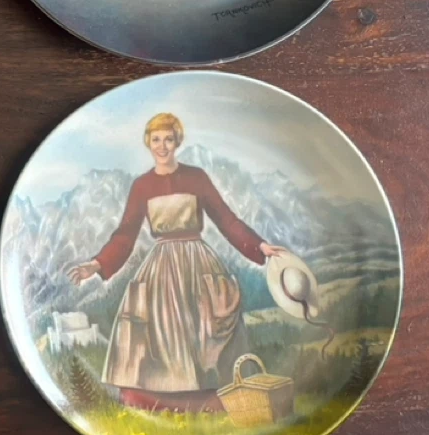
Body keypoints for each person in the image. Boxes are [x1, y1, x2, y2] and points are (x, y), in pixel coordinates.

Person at [65, 112, 288, 412]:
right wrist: (96, 264)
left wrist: (259, 245)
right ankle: (161, 403)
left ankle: (217, 402)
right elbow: (126, 234)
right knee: (158, 335)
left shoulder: (197, 177)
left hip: (199, 264)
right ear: (148, 143)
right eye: (156, 139)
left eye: (168, 139)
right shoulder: (142, 185)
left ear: (177, 141)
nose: (162, 146)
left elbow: (226, 219)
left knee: (207, 329)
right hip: (161, 269)